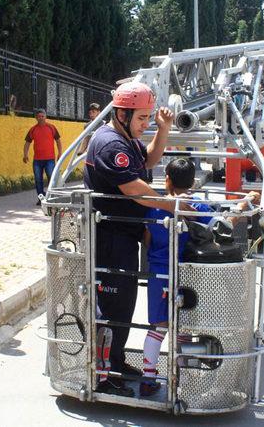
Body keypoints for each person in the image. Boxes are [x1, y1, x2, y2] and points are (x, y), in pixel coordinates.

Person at [84, 81, 183, 397]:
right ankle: (104, 378)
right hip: (110, 237)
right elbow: (134, 189)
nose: (145, 123)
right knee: (111, 308)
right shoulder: (111, 145)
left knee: (124, 305)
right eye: (142, 118)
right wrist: (173, 204)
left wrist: (163, 129)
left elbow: (150, 161)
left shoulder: (126, 139)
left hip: (124, 237)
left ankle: (115, 361)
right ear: (122, 114)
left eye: (147, 118)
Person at [140, 158, 259, 396]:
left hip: (159, 272)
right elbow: (223, 225)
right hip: (189, 274)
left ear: (167, 180)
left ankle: (148, 378)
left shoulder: (154, 206)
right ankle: (183, 380)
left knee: (158, 326)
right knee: (184, 327)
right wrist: (245, 203)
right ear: (193, 182)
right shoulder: (198, 207)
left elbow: (146, 239)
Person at [23, 109, 62, 205]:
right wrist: (25, 154)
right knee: (38, 179)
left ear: (46, 117)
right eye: (39, 116)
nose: (40, 118)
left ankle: (50, 197)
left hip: (50, 159)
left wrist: (60, 153)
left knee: (51, 178)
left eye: (42, 116)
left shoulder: (51, 127)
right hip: (37, 160)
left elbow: (58, 141)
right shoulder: (33, 129)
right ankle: (41, 198)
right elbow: (27, 143)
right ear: (36, 118)